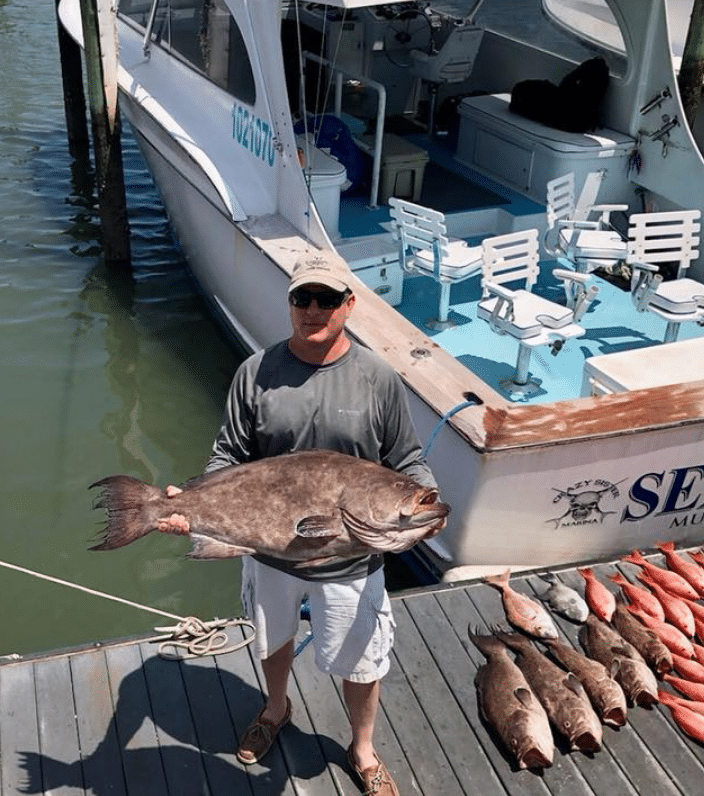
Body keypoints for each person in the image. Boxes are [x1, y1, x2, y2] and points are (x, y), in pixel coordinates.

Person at [164, 249, 440, 796]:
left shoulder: (377, 378)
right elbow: (228, 458)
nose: (313, 309)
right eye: (302, 298)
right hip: (269, 554)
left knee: (362, 660)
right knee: (272, 638)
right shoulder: (254, 373)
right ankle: (275, 707)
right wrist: (194, 503)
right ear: (290, 303)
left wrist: (422, 495)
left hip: (351, 557)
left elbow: (406, 460)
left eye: (327, 299)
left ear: (349, 305)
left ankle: (362, 748)